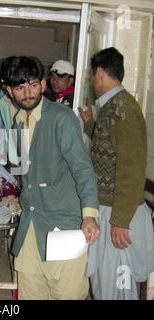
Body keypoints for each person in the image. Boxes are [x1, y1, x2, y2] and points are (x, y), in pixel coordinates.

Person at [0, 56, 100, 300]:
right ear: (9, 91)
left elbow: (83, 169)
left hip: (63, 227)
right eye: (20, 87)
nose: (28, 92)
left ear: (43, 85)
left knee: (66, 294)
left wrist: (89, 216)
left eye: (33, 84)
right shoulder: (17, 124)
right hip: (31, 227)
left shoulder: (62, 119)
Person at [78, 47, 154, 300]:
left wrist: (120, 221)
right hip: (111, 210)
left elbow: (131, 168)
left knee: (116, 288)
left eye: (91, 75)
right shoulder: (114, 107)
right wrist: (90, 123)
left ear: (99, 73)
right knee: (104, 285)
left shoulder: (122, 108)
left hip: (119, 214)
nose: (91, 81)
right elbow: (109, 143)